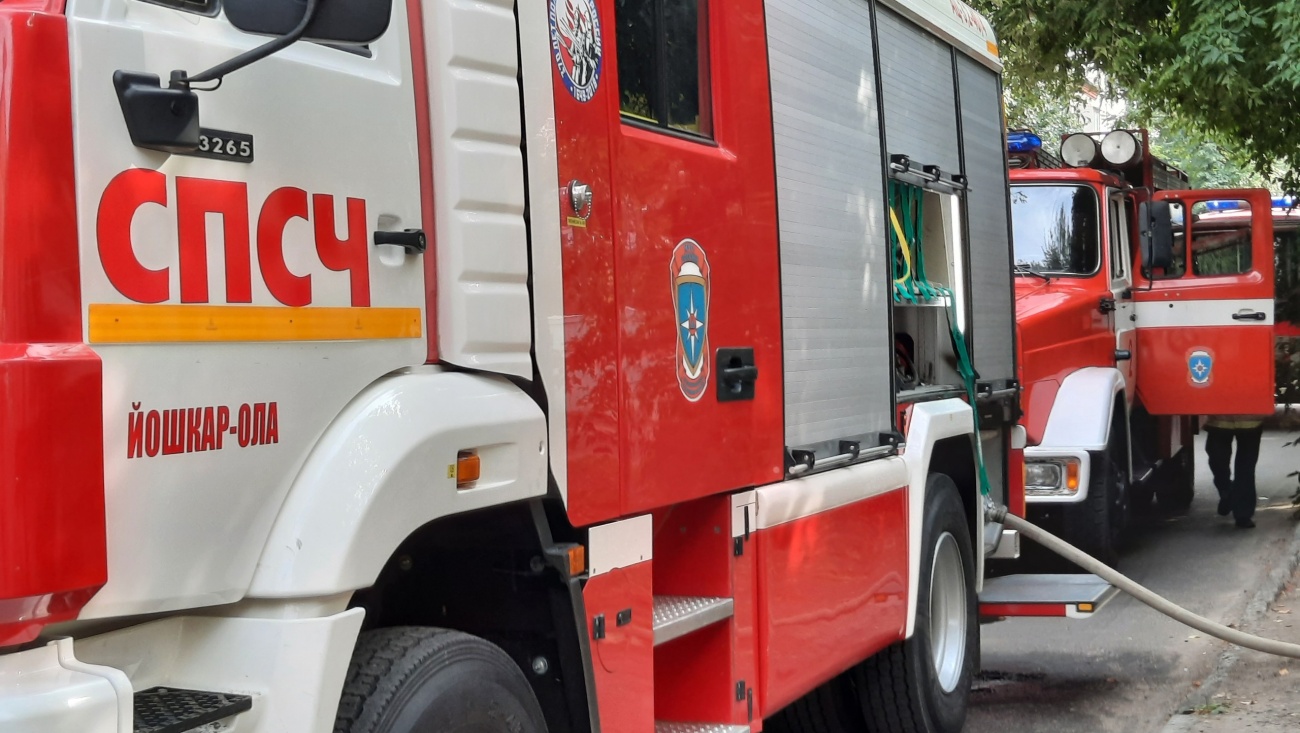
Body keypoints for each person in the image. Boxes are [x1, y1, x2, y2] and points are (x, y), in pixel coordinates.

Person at [1203, 414, 1266, 529]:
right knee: (1217, 460)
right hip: (1219, 419)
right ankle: (1226, 491)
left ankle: (1243, 515)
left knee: (1246, 468)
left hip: (1251, 419)